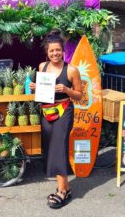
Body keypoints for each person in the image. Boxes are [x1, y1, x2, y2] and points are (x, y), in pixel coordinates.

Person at [29, 30, 82, 209]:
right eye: (51, 51)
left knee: (59, 149)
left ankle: (62, 191)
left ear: (63, 51)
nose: (55, 54)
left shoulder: (72, 70)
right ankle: (65, 188)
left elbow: (80, 96)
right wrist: (34, 87)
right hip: (46, 112)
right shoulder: (42, 66)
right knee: (51, 148)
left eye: (58, 50)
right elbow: (41, 91)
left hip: (64, 111)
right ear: (47, 52)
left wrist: (67, 90)